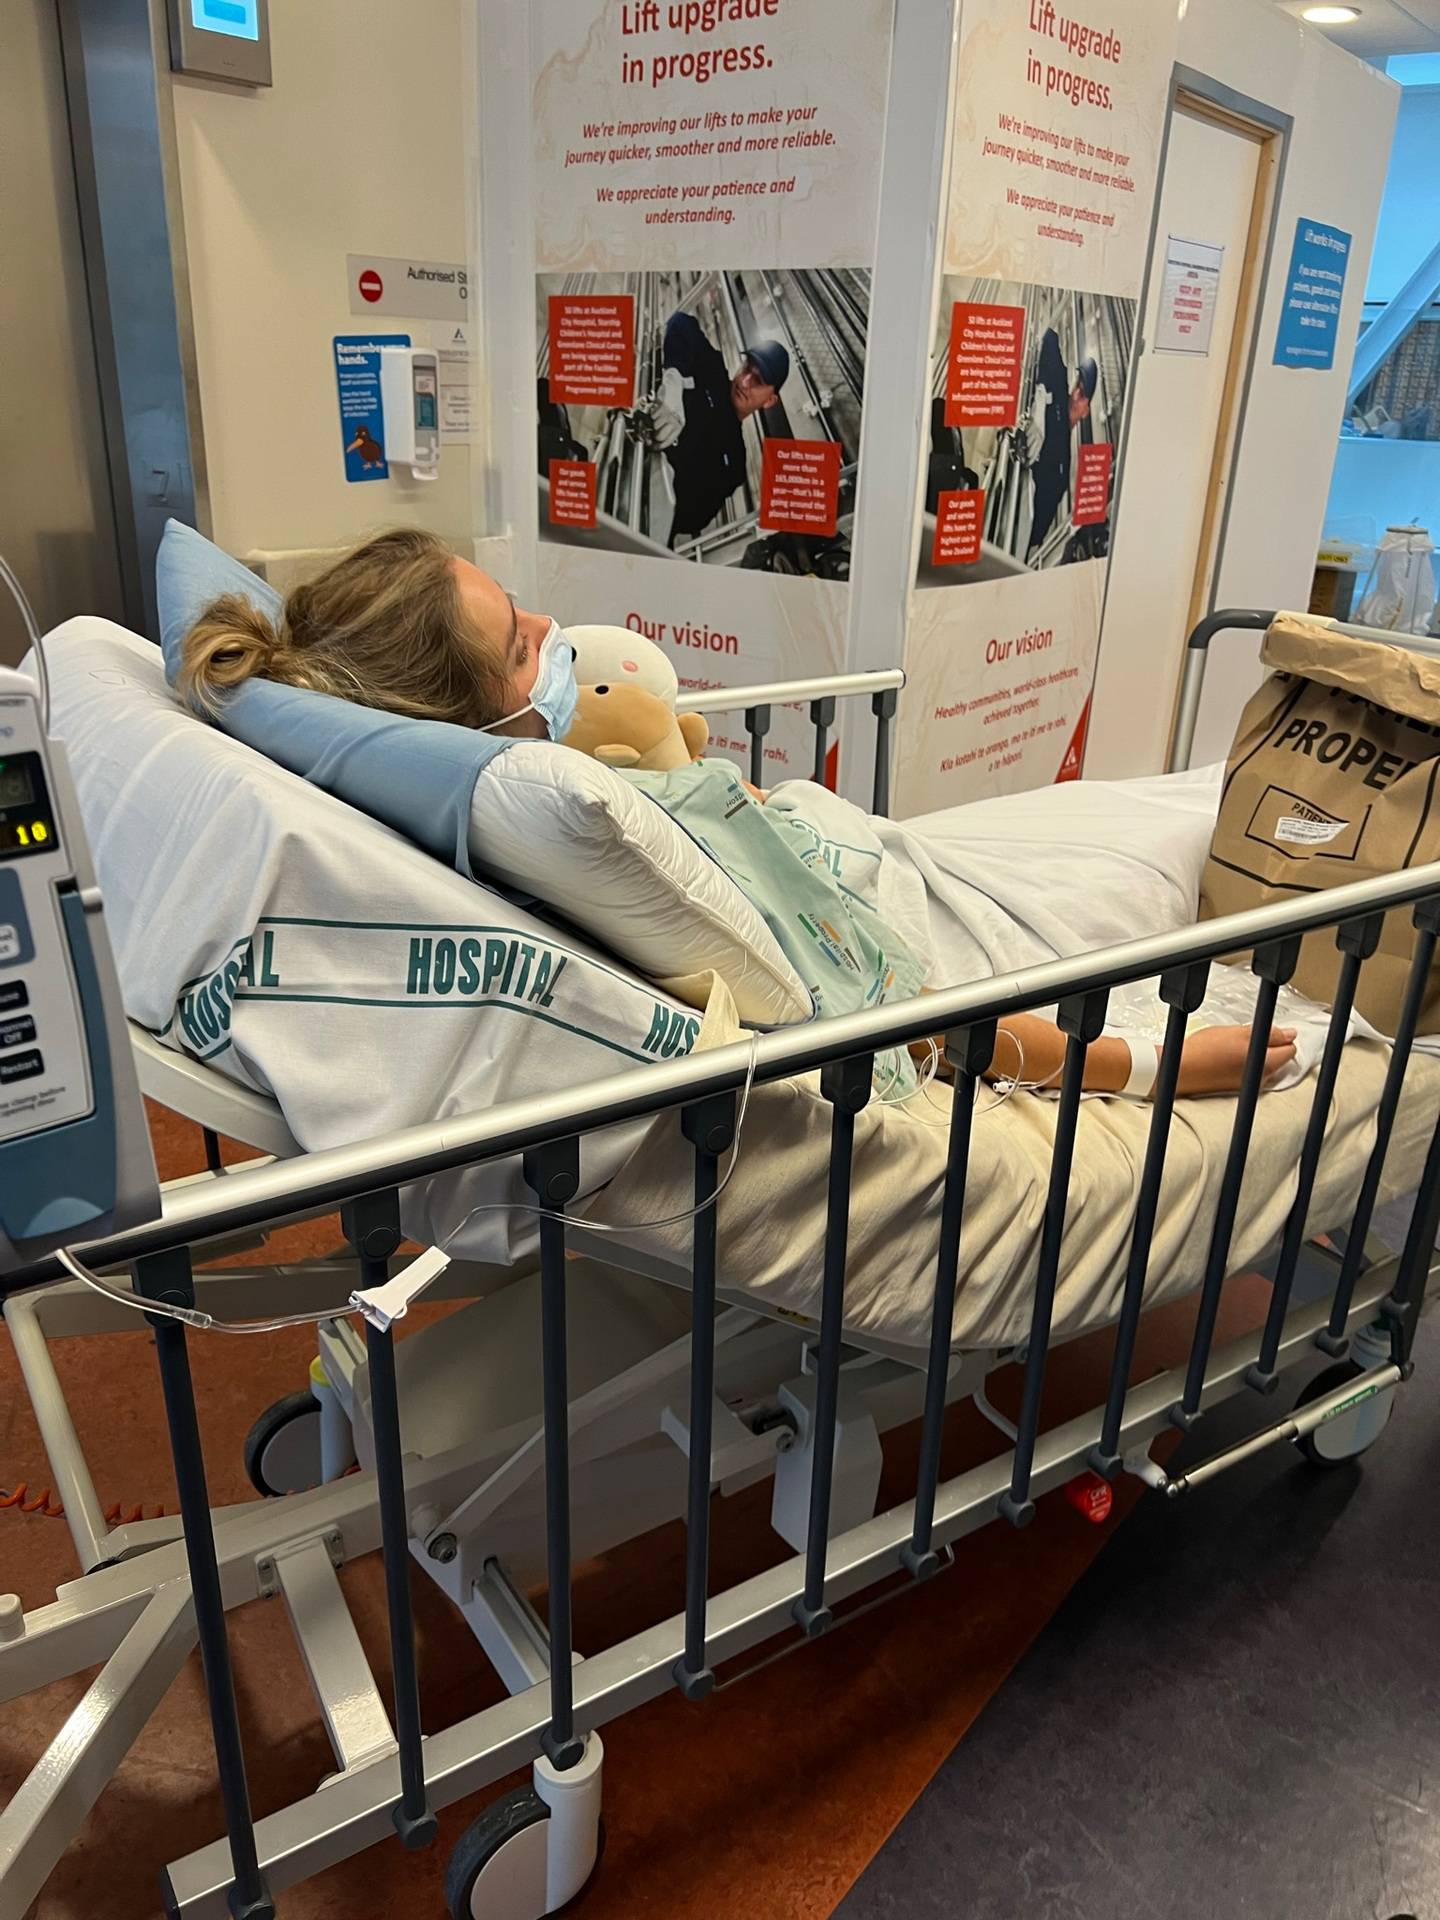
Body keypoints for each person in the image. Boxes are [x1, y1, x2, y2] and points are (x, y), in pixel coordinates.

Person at [180, 526, 1296, 1101]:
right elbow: (920, 1022)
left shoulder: (535, 786)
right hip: (949, 916)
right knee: (1196, 824)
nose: (555, 628)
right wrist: (1154, 1067)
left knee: (1174, 801)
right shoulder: (565, 816)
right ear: (469, 720)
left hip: (894, 856)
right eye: (521, 642)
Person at [648, 314, 789, 547]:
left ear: (769, 401)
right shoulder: (713, 372)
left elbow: (695, 519)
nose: (744, 382)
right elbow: (681, 323)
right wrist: (673, 378)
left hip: (652, 524)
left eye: (758, 380)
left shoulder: (735, 463)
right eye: (747, 367)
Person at [1023, 330, 1096, 560]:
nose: (1076, 393)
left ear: (1086, 411)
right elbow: (1050, 337)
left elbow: (1038, 524)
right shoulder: (1059, 389)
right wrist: (1040, 407)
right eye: (1077, 386)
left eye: (1082, 394)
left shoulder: (1062, 468)